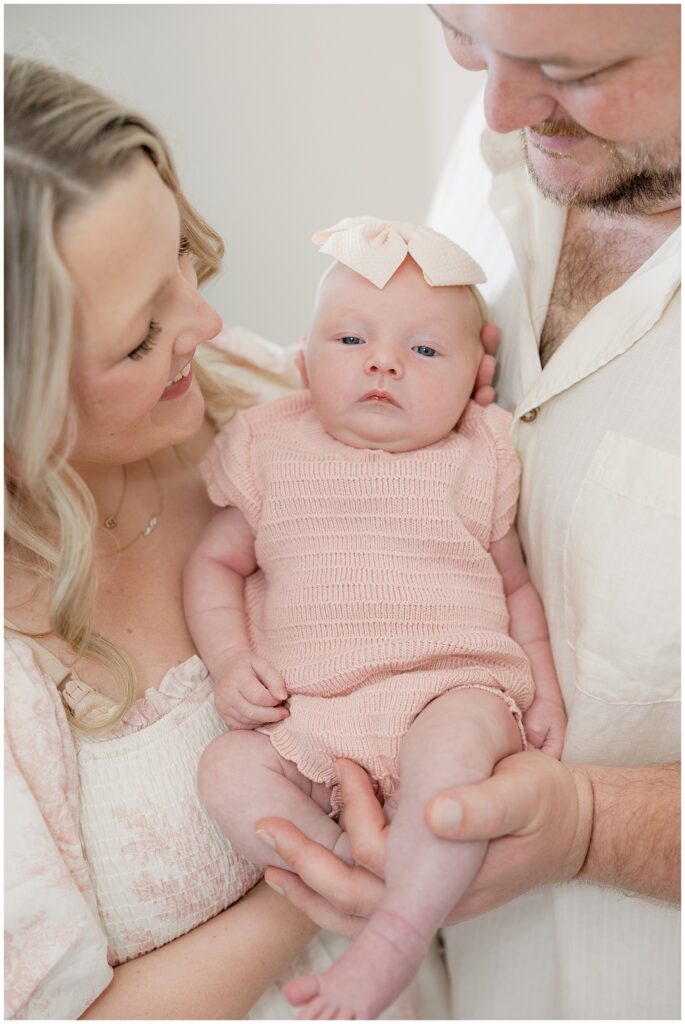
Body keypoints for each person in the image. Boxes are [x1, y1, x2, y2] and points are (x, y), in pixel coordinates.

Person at [255, 5, 681, 1021]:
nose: (492, 107)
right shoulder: (512, 137)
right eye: (460, 35)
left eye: (570, 68)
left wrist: (591, 826)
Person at [4, 57, 438, 1021]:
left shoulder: (245, 392)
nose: (203, 321)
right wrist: (322, 879)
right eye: (138, 335)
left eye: (184, 262)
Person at [184, 216, 566, 1019]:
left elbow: (516, 586)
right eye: (350, 340)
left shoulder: (477, 452)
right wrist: (227, 661)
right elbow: (215, 562)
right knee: (225, 770)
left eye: (425, 352)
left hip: (446, 689)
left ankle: (395, 934)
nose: (384, 362)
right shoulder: (269, 443)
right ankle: (352, 885)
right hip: (311, 718)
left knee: (457, 750)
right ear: (302, 360)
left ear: (474, 377)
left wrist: (543, 691)